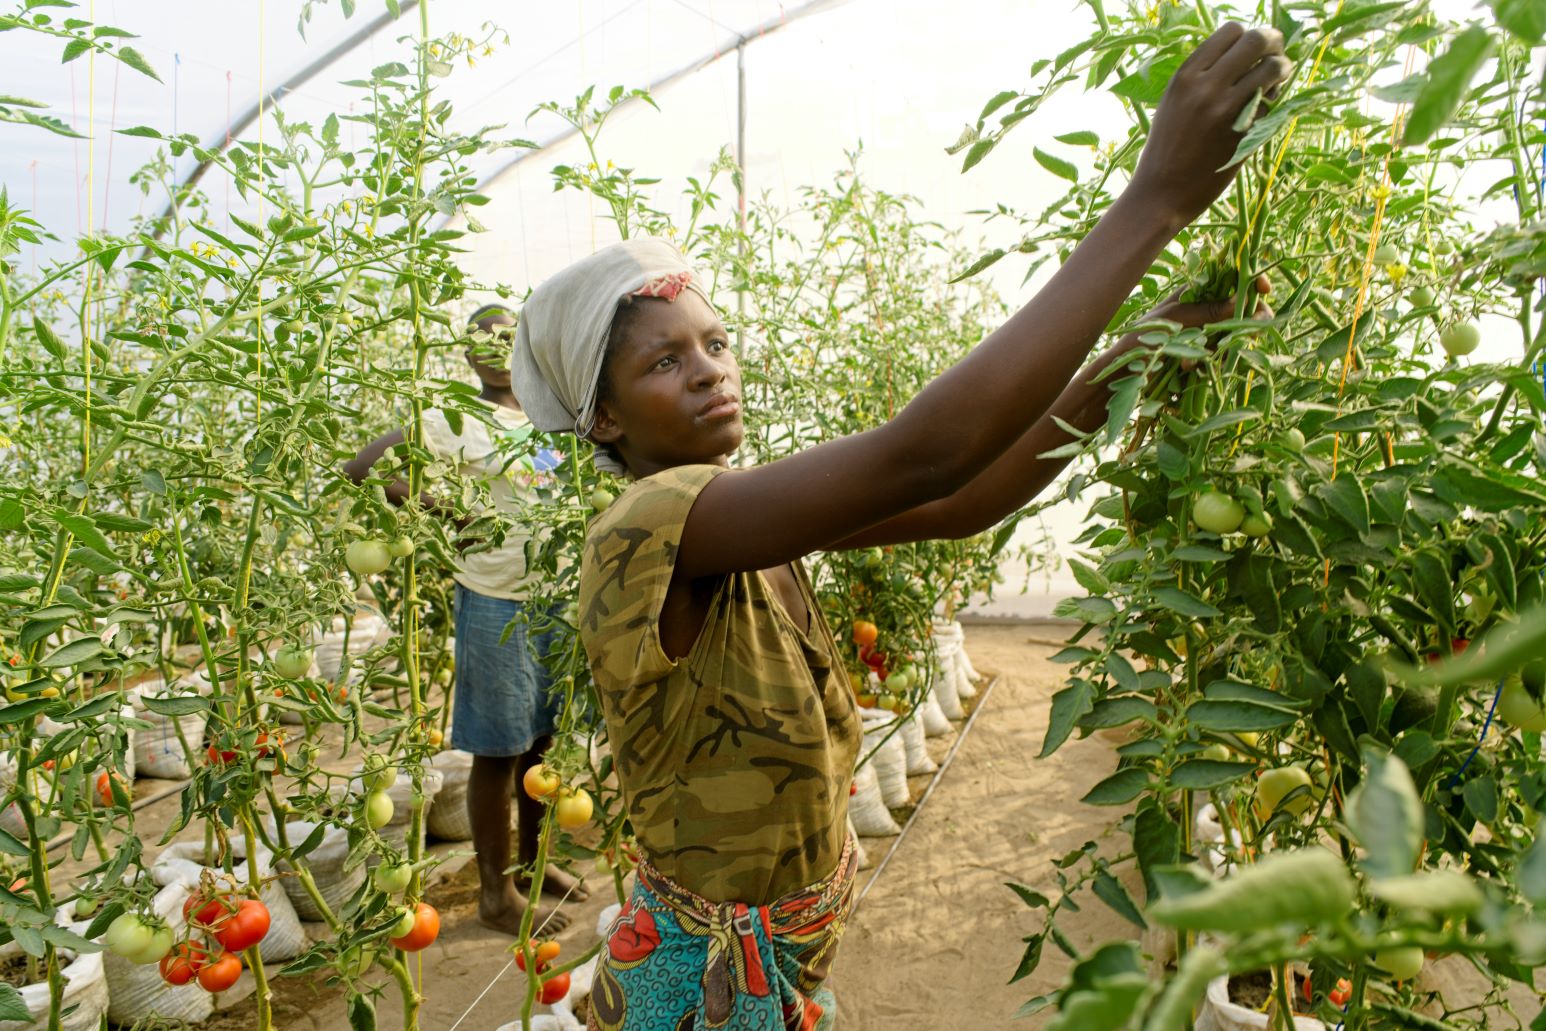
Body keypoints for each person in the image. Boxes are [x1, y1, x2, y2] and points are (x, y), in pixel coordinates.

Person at [510, 22, 1289, 1030]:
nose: (707, 367)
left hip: (772, 948)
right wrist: (1156, 201)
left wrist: (1132, 356)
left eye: (714, 342)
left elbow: (964, 496)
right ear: (603, 417)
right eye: (665, 361)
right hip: (702, 979)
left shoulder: (739, 514)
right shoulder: (650, 522)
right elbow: (931, 449)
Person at [343, 304, 585, 936]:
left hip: (551, 598)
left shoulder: (549, 414)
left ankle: (535, 866)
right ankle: (494, 894)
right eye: (483, 338)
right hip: (493, 600)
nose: (497, 347)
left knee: (541, 744)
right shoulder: (453, 419)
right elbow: (363, 468)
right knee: (497, 751)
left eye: (508, 336)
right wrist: (439, 512)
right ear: (466, 353)